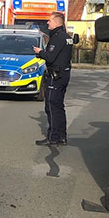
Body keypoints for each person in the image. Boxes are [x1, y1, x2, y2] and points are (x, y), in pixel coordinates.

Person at [33, 12, 74, 146]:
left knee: (52, 106)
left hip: (56, 76)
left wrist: (40, 52)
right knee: (59, 106)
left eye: (49, 20)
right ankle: (61, 136)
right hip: (63, 74)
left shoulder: (57, 37)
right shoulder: (66, 37)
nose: (47, 23)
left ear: (56, 23)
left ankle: (53, 137)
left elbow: (50, 57)